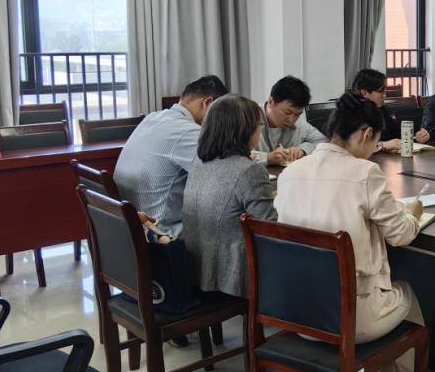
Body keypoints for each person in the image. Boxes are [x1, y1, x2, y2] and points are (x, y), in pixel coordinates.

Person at [274, 93, 434, 372]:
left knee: (380, 293)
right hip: (348, 319)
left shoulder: (290, 172)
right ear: (365, 134)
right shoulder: (365, 173)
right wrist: (414, 214)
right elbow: (401, 234)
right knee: (409, 297)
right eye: (374, 142)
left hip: (298, 312)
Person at [183, 95, 277, 298]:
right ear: (245, 130)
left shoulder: (198, 165)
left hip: (194, 271)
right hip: (230, 279)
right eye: (260, 125)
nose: (260, 131)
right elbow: (268, 231)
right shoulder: (250, 171)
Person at [114, 75, 228, 237]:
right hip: (161, 234)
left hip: (130, 230)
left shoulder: (152, 117)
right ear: (208, 103)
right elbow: (227, 176)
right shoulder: (188, 131)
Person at [351, 68, 431, 153]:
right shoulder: (351, 113)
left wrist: (416, 136)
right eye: (381, 91)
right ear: (365, 93)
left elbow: (395, 131)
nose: (385, 95)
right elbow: (353, 146)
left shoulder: (381, 109)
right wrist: (383, 145)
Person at [252, 75, 325, 166]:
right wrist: (267, 158)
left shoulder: (299, 122)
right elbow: (236, 156)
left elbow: (322, 141)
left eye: (297, 114)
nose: (291, 120)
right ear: (271, 102)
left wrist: (302, 150)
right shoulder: (248, 118)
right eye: (287, 112)